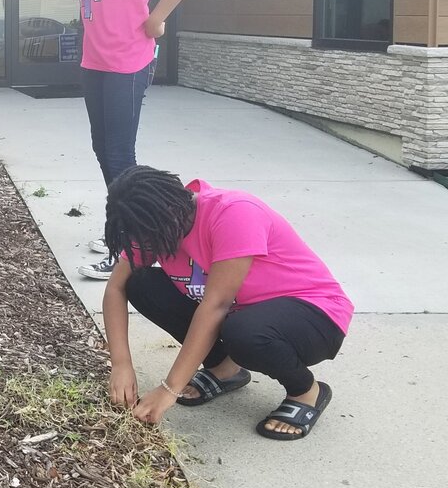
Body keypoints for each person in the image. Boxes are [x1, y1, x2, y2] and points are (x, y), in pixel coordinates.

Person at [101, 166, 353, 441]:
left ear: (172, 212)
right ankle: (225, 369)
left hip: (316, 315)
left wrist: (169, 389)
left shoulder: (233, 213)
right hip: (242, 313)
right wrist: (121, 364)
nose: (148, 245)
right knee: (140, 283)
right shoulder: (152, 224)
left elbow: (216, 306)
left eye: (151, 238)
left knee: (243, 332)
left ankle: (306, 391)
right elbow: (116, 287)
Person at [66, 0, 200, 280]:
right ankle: (121, 230)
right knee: (102, 149)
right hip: (95, 61)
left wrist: (157, 17)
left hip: (127, 62)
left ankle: (130, 246)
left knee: (121, 155)